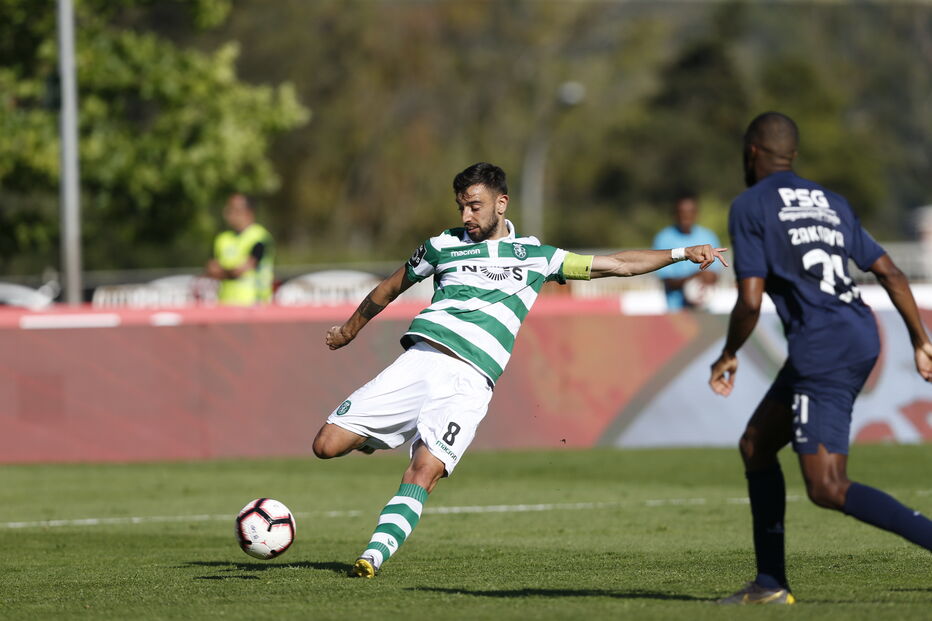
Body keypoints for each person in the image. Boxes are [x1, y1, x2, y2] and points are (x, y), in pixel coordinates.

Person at [313, 162, 728, 578]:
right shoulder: (441, 246)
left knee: (425, 470)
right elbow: (390, 286)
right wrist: (348, 331)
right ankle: (375, 438)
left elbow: (617, 264)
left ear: (501, 203)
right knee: (325, 445)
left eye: (474, 207)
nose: (466, 217)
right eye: (461, 208)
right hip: (420, 360)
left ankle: (373, 556)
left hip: (471, 382)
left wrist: (681, 255)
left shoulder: (536, 257)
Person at [709, 112, 932, 605]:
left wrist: (727, 354)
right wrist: (920, 339)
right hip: (857, 330)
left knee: (827, 485)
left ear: (751, 153)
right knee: (756, 445)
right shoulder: (830, 201)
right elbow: (891, 272)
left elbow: (749, 301)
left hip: (823, 343)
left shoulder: (750, 206)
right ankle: (769, 584)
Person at [652, 194, 722, 311]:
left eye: (690, 212)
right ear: (675, 213)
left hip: (705, 309)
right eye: (682, 212)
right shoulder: (664, 238)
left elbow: (715, 273)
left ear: (696, 213)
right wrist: (695, 277)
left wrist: (709, 277)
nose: (686, 216)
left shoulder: (708, 236)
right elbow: (666, 280)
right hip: (676, 311)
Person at [205, 193, 275, 305]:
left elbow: (242, 270)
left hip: (254, 305)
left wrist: (223, 271)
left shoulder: (259, 237)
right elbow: (211, 269)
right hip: (225, 304)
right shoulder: (222, 239)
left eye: (235, 210)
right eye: (229, 209)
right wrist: (232, 271)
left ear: (248, 212)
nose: (230, 214)